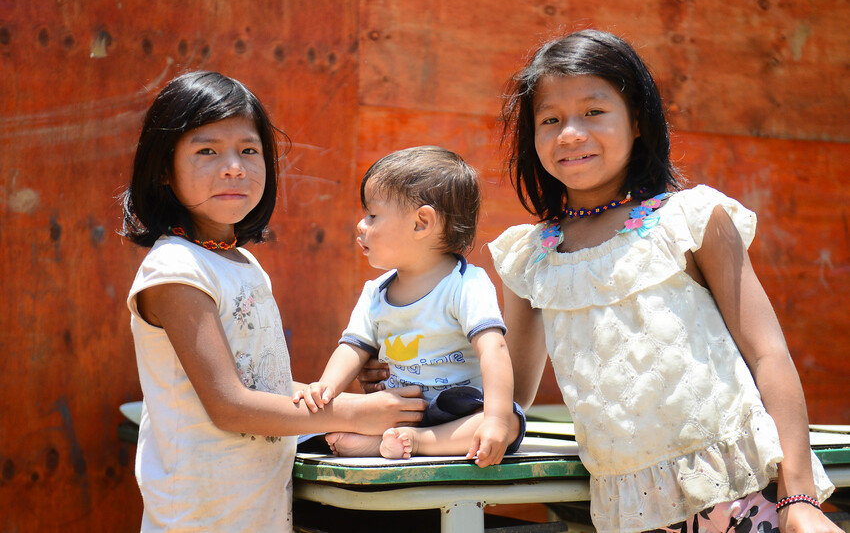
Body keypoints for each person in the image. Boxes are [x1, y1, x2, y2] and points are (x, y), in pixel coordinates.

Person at [485, 29, 838, 532]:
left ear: (638, 124)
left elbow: (768, 353)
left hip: (741, 493)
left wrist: (798, 497)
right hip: (629, 511)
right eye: (550, 119)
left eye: (593, 112)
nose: (570, 133)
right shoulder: (531, 256)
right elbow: (512, 396)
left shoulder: (690, 220)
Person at [120, 71, 427, 533]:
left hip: (256, 506)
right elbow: (229, 405)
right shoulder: (176, 270)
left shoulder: (241, 262)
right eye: (207, 151)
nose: (234, 167)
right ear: (164, 169)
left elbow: (250, 378)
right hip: (200, 515)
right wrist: (351, 411)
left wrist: (302, 391)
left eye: (248, 150)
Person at [293, 146, 525, 467]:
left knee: (510, 421)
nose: (361, 225)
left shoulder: (465, 284)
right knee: (343, 428)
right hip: (397, 408)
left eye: (372, 215)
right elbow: (352, 347)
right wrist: (327, 387)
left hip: (457, 408)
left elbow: (493, 350)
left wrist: (496, 420)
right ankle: (389, 439)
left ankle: (419, 442)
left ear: (421, 223)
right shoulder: (376, 292)